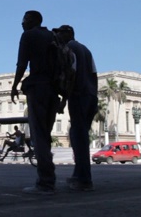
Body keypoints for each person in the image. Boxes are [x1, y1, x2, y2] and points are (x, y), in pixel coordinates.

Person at [10, 10, 59, 195]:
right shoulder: (51, 35)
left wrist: (15, 86)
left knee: (38, 135)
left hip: (38, 87)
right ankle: (49, 178)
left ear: (32, 21)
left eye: (24, 19)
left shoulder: (29, 35)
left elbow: (21, 64)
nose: (22, 23)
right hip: (53, 90)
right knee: (45, 135)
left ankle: (46, 182)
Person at [53, 25, 97, 192]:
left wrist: (64, 97)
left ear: (68, 34)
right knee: (80, 135)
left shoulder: (69, 48)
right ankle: (79, 174)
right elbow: (94, 74)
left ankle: (84, 179)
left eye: (60, 33)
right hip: (90, 95)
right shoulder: (86, 50)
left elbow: (71, 73)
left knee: (78, 137)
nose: (58, 37)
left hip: (79, 95)